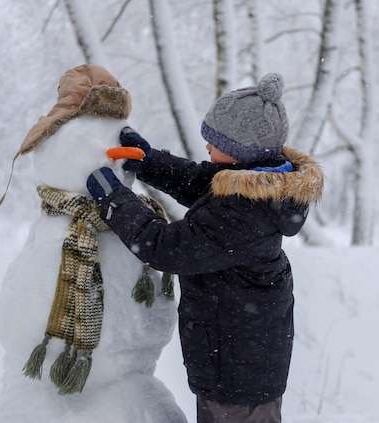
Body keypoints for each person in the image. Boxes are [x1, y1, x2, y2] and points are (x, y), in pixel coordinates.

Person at [86, 73, 324, 423]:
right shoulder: (256, 187)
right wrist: (150, 162)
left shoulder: (243, 214)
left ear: (241, 151)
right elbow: (199, 181)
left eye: (215, 142)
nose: (207, 148)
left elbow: (165, 247)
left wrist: (115, 200)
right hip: (242, 359)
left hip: (238, 373)